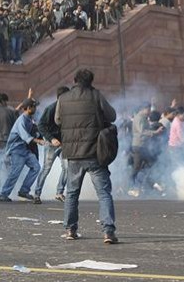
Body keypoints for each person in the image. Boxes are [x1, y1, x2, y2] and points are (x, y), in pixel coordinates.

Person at [55, 68, 118, 244]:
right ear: (91, 81)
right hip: (94, 152)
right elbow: (111, 115)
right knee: (104, 193)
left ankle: (70, 229)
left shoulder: (63, 98)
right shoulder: (96, 95)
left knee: (72, 193)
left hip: (73, 153)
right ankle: (108, 232)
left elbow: (57, 120)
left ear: (74, 80)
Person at [0, 98, 43, 202]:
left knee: (36, 167)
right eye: (34, 106)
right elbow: (24, 136)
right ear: (28, 108)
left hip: (25, 150)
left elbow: (33, 132)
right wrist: (37, 140)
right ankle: (3, 194)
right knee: (15, 172)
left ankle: (24, 190)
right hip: (17, 150)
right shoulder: (21, 120)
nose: (35, 108)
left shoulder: (30, 119)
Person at [33, 86, 70, 204]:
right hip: (51, 144)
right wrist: (52, 138)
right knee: (46, 169)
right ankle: (37, 194)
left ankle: (59, 192)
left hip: (63, 144)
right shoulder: (51, 108)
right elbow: (41, 126)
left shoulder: (68, 109)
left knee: (67, 168)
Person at [128, 102, 164, 198]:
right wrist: (155, 132)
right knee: (137, 167)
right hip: (139, 145)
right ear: (143, 108)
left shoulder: (142, 118)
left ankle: (146, 185)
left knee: (148, 164)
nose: (149, 112)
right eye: (148, 109)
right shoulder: (139, 117)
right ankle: (131, 187)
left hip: (142, 146)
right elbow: (142, 131)